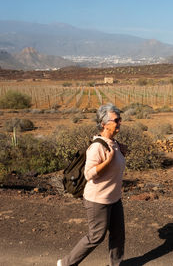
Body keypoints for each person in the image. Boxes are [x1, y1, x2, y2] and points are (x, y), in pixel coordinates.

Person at [58, 103, 126, 266]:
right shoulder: (97, 147)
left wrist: (122, 153)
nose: (119, 123)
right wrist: (108, 162)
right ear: (104, 124)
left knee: (118, 234)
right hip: (98, 200)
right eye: (116, 120)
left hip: (114, 197)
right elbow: (89, 174)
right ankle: (66, 263)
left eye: (120, 119)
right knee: (96, 236)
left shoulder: (114, 143)